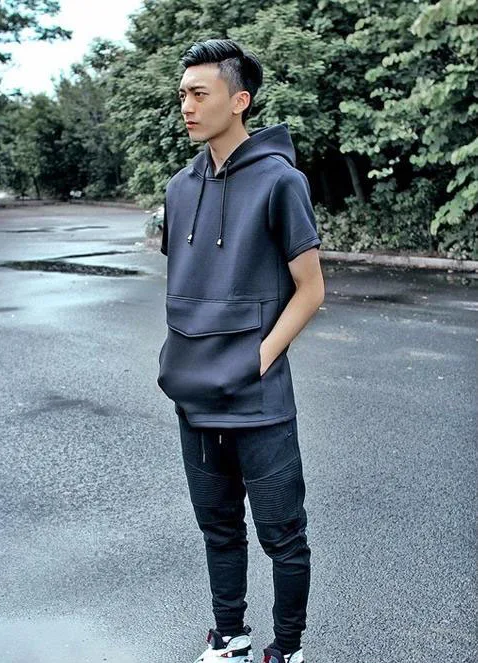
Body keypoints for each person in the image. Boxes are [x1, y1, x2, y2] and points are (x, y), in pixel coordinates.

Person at [157, 38, 325, 663]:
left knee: (283, 534)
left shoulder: (282, 181)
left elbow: (311, 289)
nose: (187, 106)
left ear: (239, 100)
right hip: (195, 395)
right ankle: (230, 636)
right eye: (183, 94)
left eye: (200, 94)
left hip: (259, 399)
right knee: (218, 527)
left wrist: (259, 358)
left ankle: (288, 649)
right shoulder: (179, 188)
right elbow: (190, 284)